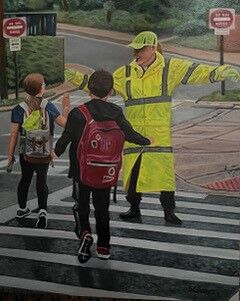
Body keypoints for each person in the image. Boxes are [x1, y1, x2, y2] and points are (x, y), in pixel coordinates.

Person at [64, 31, 240, 226]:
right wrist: (72, 76)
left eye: (141, 49)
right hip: (134, 133)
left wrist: (221, 72)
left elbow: (197, 72)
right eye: (135, 49)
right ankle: (134, 209)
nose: (136, 53)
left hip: (159, 135)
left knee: (165, 176)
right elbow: (98, 87)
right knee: (134, 174)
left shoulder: (170, 68)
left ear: (153, 48)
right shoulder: (125, 73)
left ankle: (169, 212)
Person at [53, 70, 151, 263]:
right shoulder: (116, 112)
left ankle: (85, 233)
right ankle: (104, 246)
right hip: (106, 170)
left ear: (89, 89)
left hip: (81, 169)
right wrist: (147, 141)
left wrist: (54, 153)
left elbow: (65, 139)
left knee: (82, 204)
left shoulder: (78, 112)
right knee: (102, 209)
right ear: (111, 91)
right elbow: (130, 134)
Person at [7, 73, 70, 229]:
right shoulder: (48, 106)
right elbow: (65, 124)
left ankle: (22, 209)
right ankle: (42, 211)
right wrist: (66, 109)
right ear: (40, 88)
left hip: (25, 152)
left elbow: (14, 134)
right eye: (43, 84)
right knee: (42, 181)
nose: (44, 86)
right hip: (44, 150)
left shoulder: (18, 109)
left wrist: (10, 156)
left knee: (25, 179)